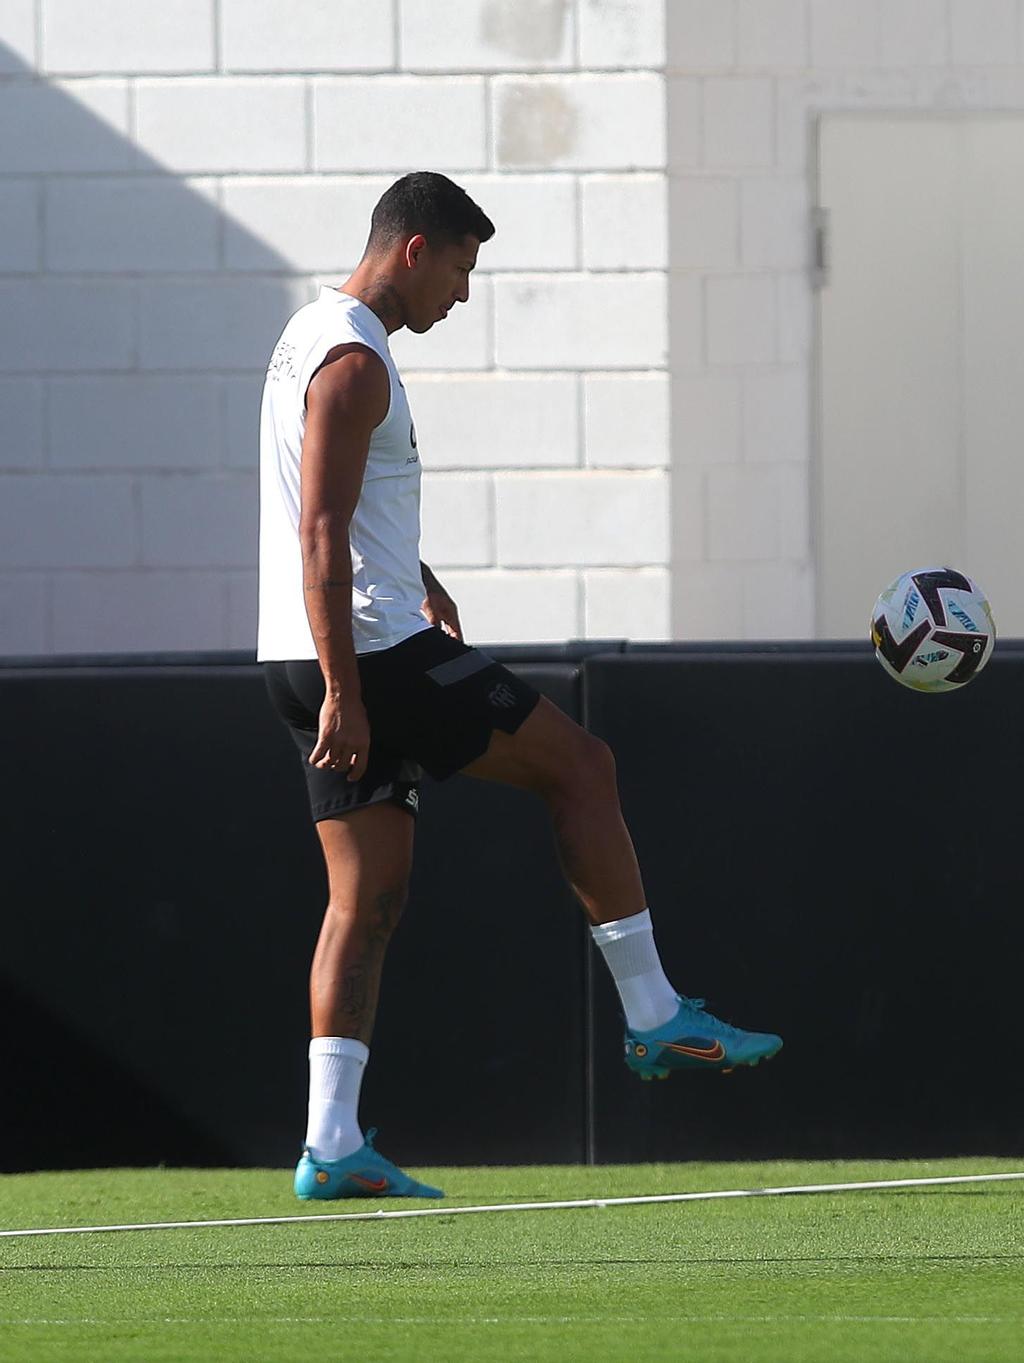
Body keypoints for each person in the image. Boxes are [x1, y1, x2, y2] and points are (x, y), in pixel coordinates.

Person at [257, 172, 780, 1202]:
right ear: (416, 249)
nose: (461, 293)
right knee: (583, 765)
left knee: (363, 902)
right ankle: (652, 1016)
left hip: (308, 646)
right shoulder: (356, 360)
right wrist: (346, 688)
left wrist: (416, 578)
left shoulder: (307, 335)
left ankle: (329, 1142)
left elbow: (334, 513)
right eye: (461, 266)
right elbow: (319, 528)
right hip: (365, 656)